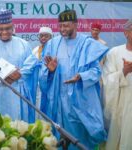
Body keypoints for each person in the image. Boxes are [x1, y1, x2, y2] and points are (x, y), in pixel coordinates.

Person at [39, 10, 108, 149]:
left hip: (79, 100)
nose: (63, 29)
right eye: (61, 26)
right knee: (58, 137)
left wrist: (81, 77)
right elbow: (43, 72)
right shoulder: (53, 44)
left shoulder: (86, 44)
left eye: (66, 26)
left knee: (78, 138)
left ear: (76, 24)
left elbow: (96, 71)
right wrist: (50, 71)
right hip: (58, 100)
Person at [0, 9, 38, 122]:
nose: (4, 32)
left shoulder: (23, 44)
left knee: (19, 128)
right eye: (1, 29)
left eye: (7, 28)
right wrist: (1, 75)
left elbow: (31, 64)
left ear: (13, 27)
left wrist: (20, 73)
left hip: (18, 93)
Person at [102, 18, 132, 150]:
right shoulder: (114, 52)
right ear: (125, 33)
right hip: (120, 104)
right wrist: (124, 72)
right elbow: (107, 79)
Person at [32, 27, 53, 115]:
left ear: (51, 37)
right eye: (41, 36)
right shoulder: (35, 50)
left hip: (50, 83)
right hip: (38, 84)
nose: (43, 38)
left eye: (46, 36)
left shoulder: (54, 49)